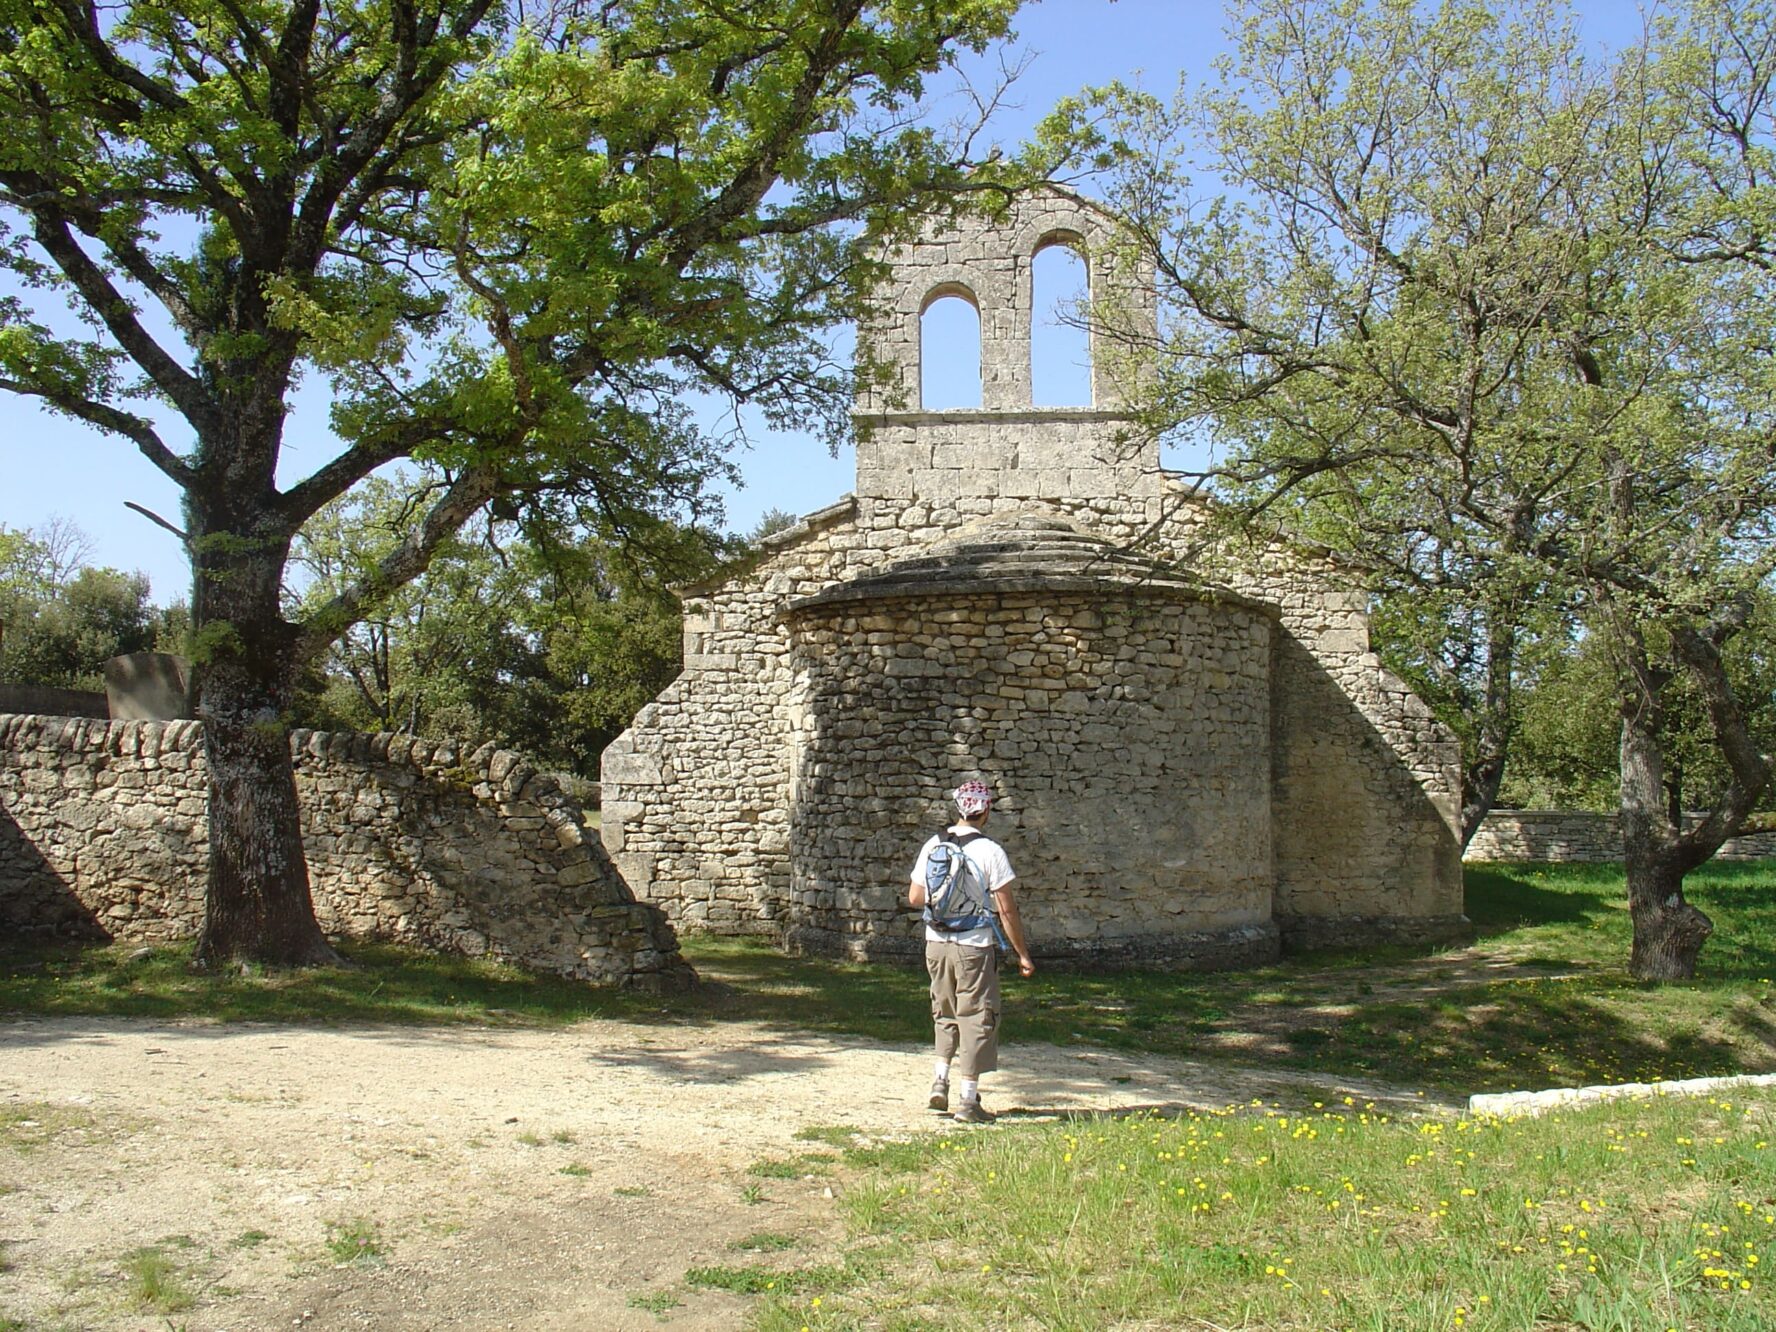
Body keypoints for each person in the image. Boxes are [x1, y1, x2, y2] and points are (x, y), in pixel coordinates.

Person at [908, 779, 1035, 1124]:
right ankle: (968, 1100)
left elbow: (915, 898)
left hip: (936, 942)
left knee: (943, 1011)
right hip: (974, 947)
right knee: (976, 1017)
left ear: (958, 808)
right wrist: (1022, 953)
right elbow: (1006, 910)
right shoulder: (990, 851)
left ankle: (940, 1079)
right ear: (986, 810)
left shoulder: (934, 844)